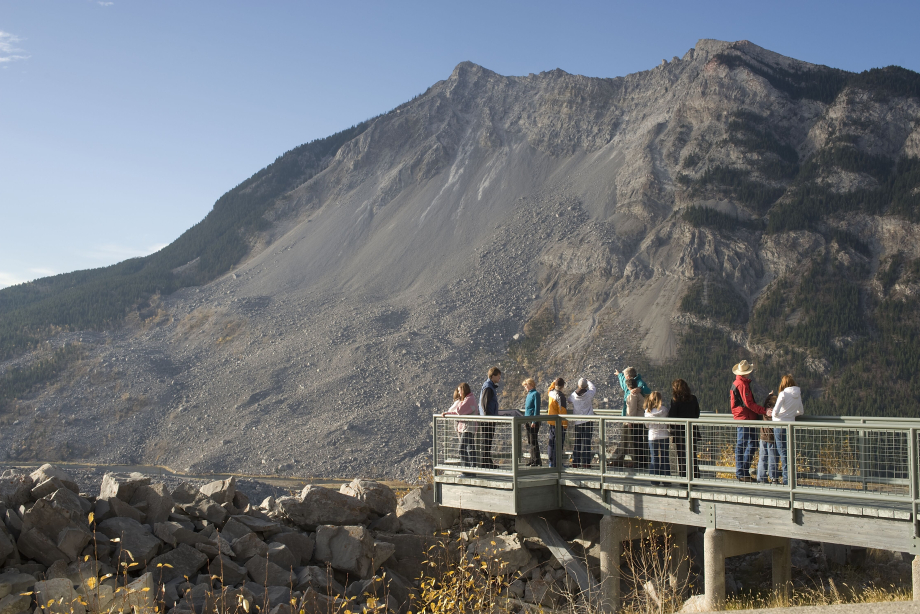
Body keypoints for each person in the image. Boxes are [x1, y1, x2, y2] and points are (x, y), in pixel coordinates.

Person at [730, 360, 768, 482]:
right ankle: (742, 472)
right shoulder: (742, 384)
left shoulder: (738, 383)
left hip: (745, 417)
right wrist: (763, 411)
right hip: (745, 418)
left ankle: (743, 471)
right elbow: (749, 403)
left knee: (750, 444)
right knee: (744, 444)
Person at [771, 374, 804, 485]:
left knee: (782, 452)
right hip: (791, 425)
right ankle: (790, 478)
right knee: (789, 451)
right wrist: (790, 414)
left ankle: (786, 480)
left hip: (779, 425)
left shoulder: (783, 394)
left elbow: (775, 411)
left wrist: (780, 415)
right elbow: (801, 412)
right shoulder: (797, 394)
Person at [442, 383, 479, 476]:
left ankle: (466, 471)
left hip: (468, 427)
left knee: (462, 448)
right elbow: (460, 412)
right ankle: (473, 470)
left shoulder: (469, 400)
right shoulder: (470, 399)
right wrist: (448, 413)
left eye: (459, 391)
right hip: (469, 427)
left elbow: (460, 410)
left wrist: (458, 403)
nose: (459, 393)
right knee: (470, 448)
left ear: (464, 390)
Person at [668, 379, 701, 479]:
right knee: (693, 454)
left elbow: (672, 416)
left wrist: (673, 428)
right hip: (692, 429)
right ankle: (695, 475)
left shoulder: (675, 400)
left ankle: (684, 477)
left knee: (682, 455)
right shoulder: (693, 398)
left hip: (680, 432)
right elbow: (697, 413)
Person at [569, 378, 597, 469]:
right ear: (585, 386)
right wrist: (588, 381)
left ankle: (575, 462)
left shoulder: (573, 395)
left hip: (578, 421)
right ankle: (586, 462)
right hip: (588, 420)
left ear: (578, 385)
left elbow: (569, 400)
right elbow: (593, 388)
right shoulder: (589, 394)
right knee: (587, 442)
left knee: (577, 442)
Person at [644, 391, 670, 484]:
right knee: (665, 457)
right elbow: (668, 422)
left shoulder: (647, 411)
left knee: (654, 457)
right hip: (664, 435)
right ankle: (666, 479)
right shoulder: (664, 410)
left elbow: (646, 425)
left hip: (652, 435)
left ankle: (654, 480)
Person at [478, 367, 502, 470]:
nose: (499, 378)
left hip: (488, 419)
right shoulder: (488, 387)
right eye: (498, 376)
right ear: (493, 376)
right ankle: (485, 462)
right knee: (487, 440)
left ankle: (487, 461)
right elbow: (485, 404)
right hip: (488, 420)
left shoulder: (489, 386)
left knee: (487, 440)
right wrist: (489, 418)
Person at [624, 378, 646, 469]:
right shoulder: (639, 394)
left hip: (635, 421)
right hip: (640, 419)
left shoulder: (633, 395)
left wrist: (630, 421)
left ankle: (638, 462)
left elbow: (632, 409)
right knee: (639, 441)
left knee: (636, 442)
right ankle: (642, 462)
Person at [757, 393, 779, 483]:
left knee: (762, 457)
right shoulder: (774, 413)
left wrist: (768, 396)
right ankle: (773, 477)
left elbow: (766, 402)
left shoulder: (765, 410)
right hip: (771, 438)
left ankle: (761, 477)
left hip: (763, 436)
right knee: (772, 458)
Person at [547, 378, 568, 468]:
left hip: (551, 421)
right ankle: (558, 463)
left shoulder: (551, 393)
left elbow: (549, 389)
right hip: (559, 423)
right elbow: (562, 412)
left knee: (552, 443)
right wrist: (565, 425)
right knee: (559, 443)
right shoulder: (561, 397)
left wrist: (553, 382)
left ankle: (551, 462)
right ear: (563, 386)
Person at [522, 378, 542, 467]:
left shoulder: (535, 394)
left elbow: (536, 408)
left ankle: (536, 460)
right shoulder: (529, 394)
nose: (525, 387)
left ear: (531, 385)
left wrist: (534, 420)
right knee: (530, 440)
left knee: (533, 440)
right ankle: (532, 458)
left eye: (526, 385)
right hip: (528, 420)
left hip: (533, 420)